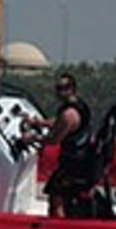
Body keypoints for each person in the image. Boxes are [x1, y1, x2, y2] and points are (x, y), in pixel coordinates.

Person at [21, 72, 93, 218]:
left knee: (55, 197)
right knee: (58, 195)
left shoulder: (69, 113)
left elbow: (54, 140)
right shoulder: (78, 106)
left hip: (73, 164)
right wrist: (40, 123)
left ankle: (57, 227)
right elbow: (60, 123)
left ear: (72, 89)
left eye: (63, 88)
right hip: (80, 160)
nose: (59, 92)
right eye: (58, 88)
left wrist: (33, 138)